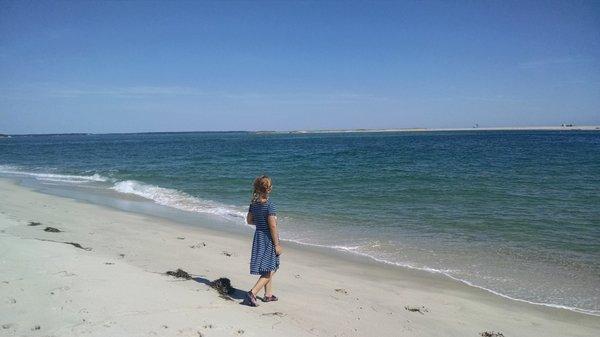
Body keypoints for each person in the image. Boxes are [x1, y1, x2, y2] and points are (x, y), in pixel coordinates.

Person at [243, 175, 282, 307]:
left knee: (268, 266)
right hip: (268, 238)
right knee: (270, 269)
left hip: (258, 235)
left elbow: (249, 220)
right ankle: (252, 293)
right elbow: (272, 226)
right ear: (269, 189)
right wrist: (277, 244)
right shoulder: (269, 205)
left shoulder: (253, 204)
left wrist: (260, 223)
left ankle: (268, 295)